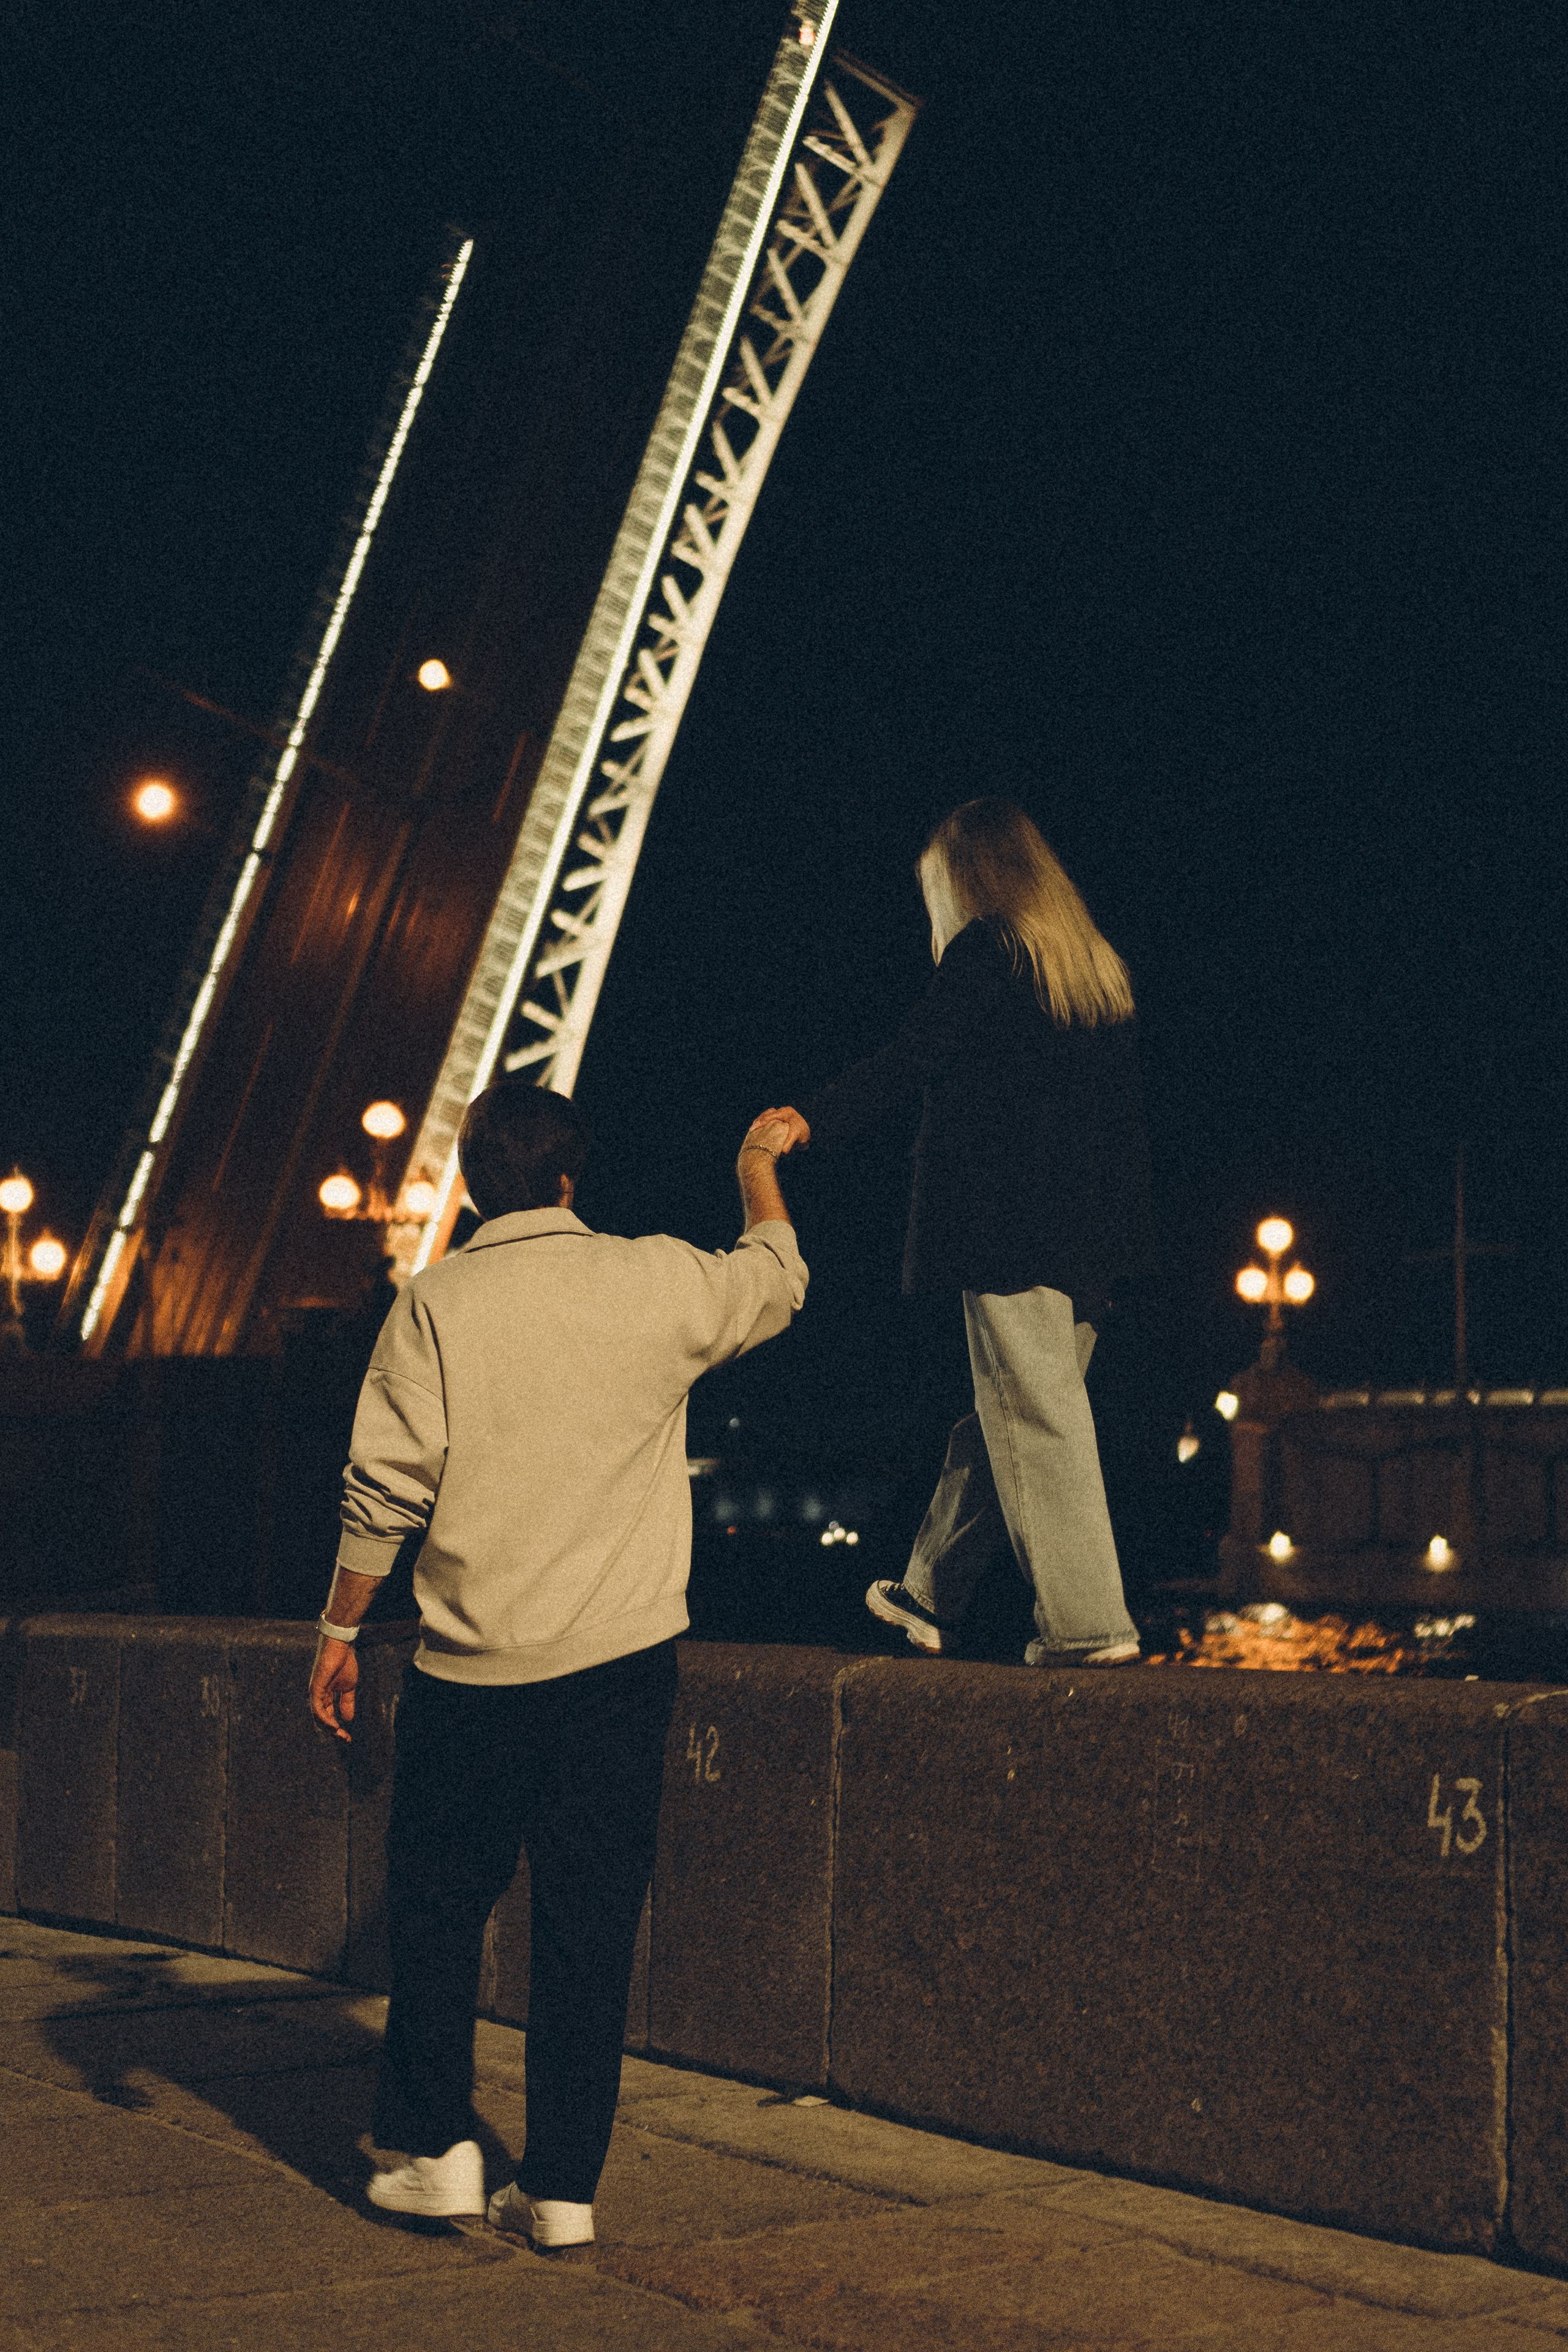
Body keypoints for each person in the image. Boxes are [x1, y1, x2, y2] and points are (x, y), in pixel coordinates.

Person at [306, 1081, 805, 2248]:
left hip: (469, 1672)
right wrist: (753, 1166)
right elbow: (779, 1276)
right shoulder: (657, 1279)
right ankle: (565, 2187)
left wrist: (337, 1634)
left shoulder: (435, 1304)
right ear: (573, 1179)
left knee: (435, 1916)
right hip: (619, 1669)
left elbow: (385, 1489)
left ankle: (435, 2156)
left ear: (478, 1186)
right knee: (588, 1928)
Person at [754, 796, 1154, 1668]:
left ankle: (1090, 1628)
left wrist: (809, 1120)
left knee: (1039, 1420)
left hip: (1005, 1227)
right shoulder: (1092, 969)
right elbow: (1124, 1127)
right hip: (1090, 1241)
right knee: (1009, 1412)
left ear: (968, 877)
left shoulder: (988, 950)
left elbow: (911, 1057)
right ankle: (927, 1594)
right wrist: (1122, 1252)